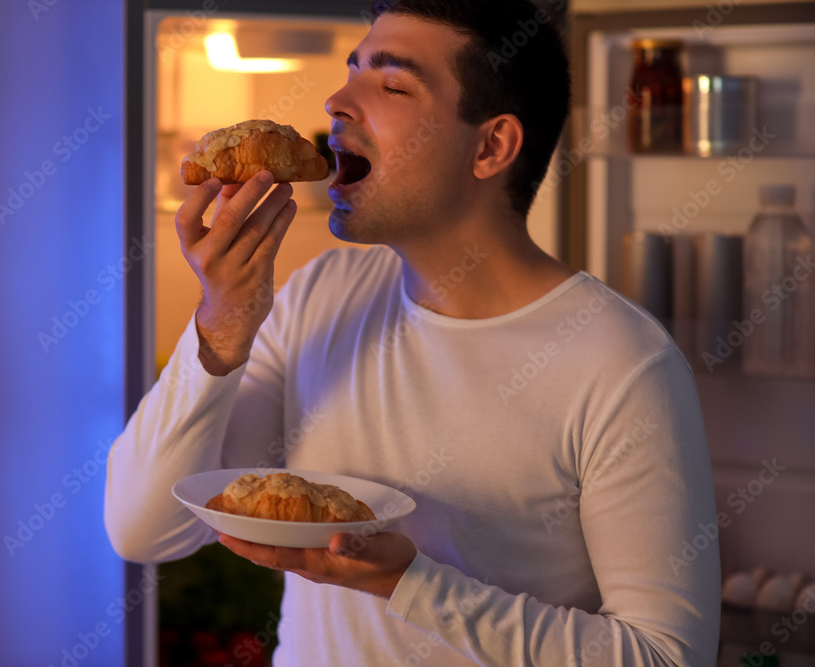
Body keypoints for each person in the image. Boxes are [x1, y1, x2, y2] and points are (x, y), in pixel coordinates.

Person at [105, 0, 721, 664]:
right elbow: (146, 530)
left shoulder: (623, 364)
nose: (338, 100)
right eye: (351, 71)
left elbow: (666, 653)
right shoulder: (321, 296)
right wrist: (220, 328)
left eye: (392, 84)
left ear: (490, 146)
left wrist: (412, 584)